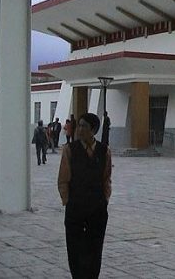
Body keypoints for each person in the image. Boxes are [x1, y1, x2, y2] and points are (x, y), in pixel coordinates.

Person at [58, 113, 112, 279]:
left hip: (97, 209)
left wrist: (104, 200)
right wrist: (68, 201)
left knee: (95, 249)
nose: (80, 129)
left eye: (84, 126)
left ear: (93, 130)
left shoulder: (104, 151)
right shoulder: (70, 150)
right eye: (79, 125)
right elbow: (63, 179)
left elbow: (106, 178)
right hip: (76, 208)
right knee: (75, 250)